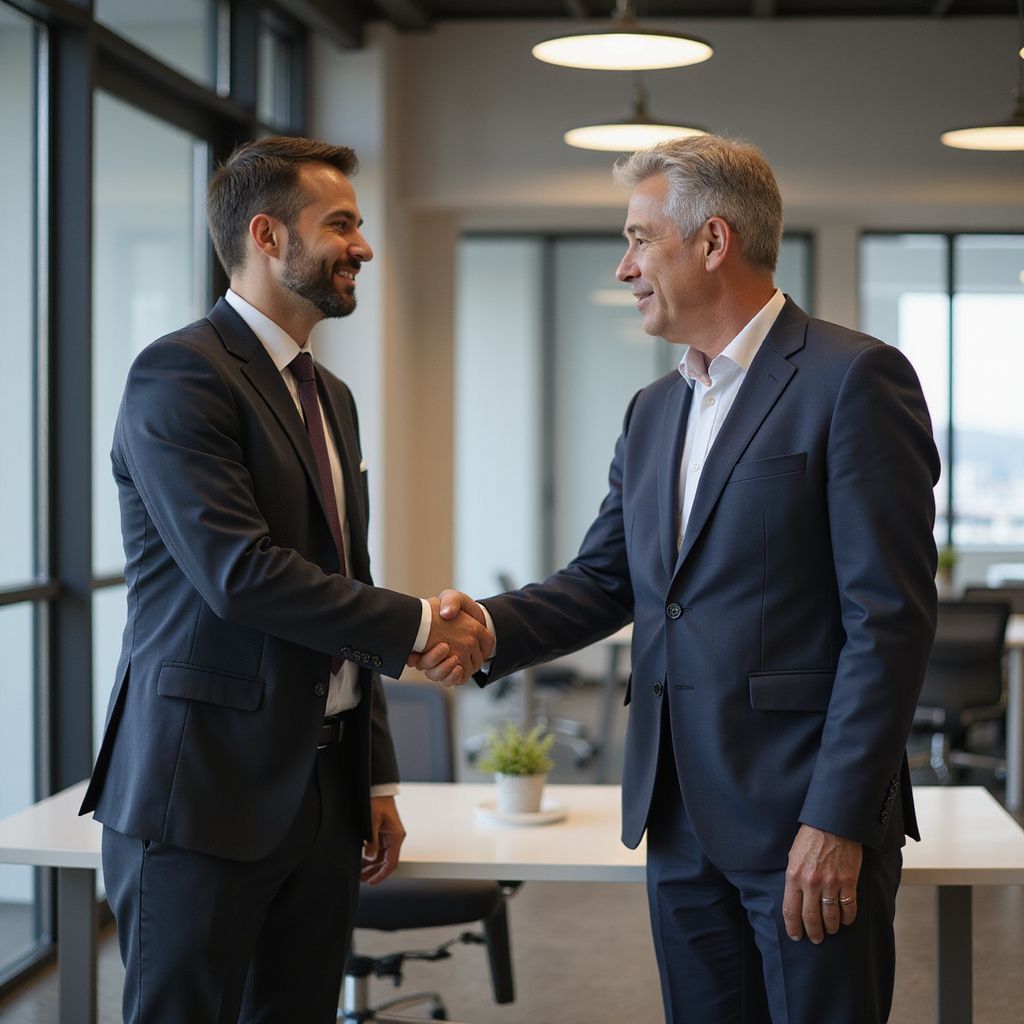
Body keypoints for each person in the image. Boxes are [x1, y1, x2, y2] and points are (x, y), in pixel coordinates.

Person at [416, 135, 939, 1023]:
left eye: (638, 239)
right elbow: (605, 578)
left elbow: (887, 623)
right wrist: (485, 628)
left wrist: (838, 819)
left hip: (801, 816)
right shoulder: (655, 409)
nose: (624, 268)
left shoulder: (854, 380)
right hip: (678, 814)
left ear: (711, 242)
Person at [80, 135, 493, 1024]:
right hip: (203, 792)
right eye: (340, 224)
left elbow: (347, 579)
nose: (364, 247)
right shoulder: (179, 374)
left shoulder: (328, 395)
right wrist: (424, 625)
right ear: (267, 236)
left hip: (322, 796)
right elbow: (243, 575)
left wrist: (375, 778)